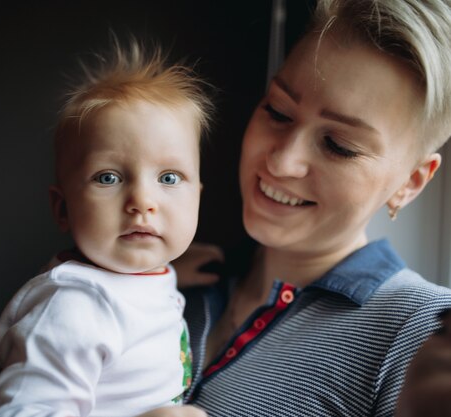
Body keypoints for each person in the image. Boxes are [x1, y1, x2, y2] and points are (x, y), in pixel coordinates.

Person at [139, 0, 451, 416]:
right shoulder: (169, 281)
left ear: (410, 182)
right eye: (278, 111)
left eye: (339, 146)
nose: (281, 162)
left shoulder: (424, 332)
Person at [0, 35, 214, 417]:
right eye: (108, 178)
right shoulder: (73, 309)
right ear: (63, 208)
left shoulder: (139, 277)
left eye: (170, 178)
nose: (143, 201)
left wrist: (174, 273)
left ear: (198, 198)